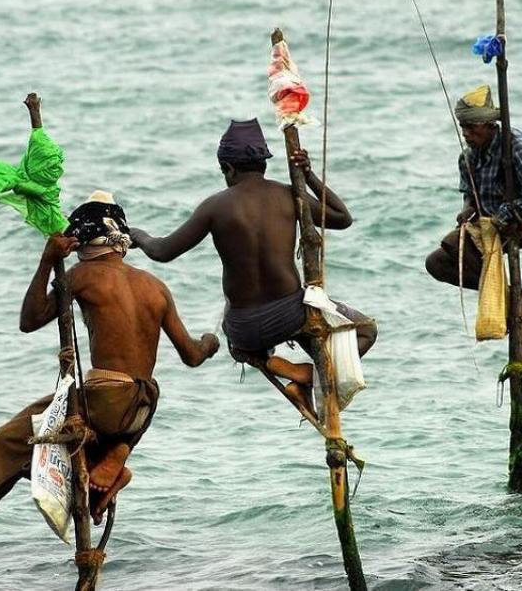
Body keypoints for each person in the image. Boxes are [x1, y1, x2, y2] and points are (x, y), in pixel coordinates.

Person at [0, 97, 219, 524]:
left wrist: (47, 260)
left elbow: (29, 322)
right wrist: (210, 342)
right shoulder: (157, 287)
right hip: (140, 410)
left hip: (102, 402)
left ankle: (84, 471)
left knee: (6, 442)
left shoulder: (84, 277)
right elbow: (192, 356)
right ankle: (108, 469)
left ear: (84, 244)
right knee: (76, 437)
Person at [130, 118, 377, 413]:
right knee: (366, 331)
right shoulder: (289, 194)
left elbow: (162, 251)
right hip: (291, 316)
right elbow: (341, 217)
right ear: (264, 165)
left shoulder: (215, 206)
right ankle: (309, 376)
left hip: (243, 331)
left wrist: (138, 235)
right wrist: (308, 176)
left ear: (229, 169)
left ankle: (293, 377)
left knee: (232, 326)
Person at [425, 85, 522, 321]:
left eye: (471, 127)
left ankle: (516, 300)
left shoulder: (516, 146)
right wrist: (467, 210)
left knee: (453, 243)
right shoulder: (468, 158)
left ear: (488, 125)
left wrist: (505, 214)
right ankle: (515, 298)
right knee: (436, 263)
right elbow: (470, 196)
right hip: (489, 224)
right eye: (463, 127)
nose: (466, 133)